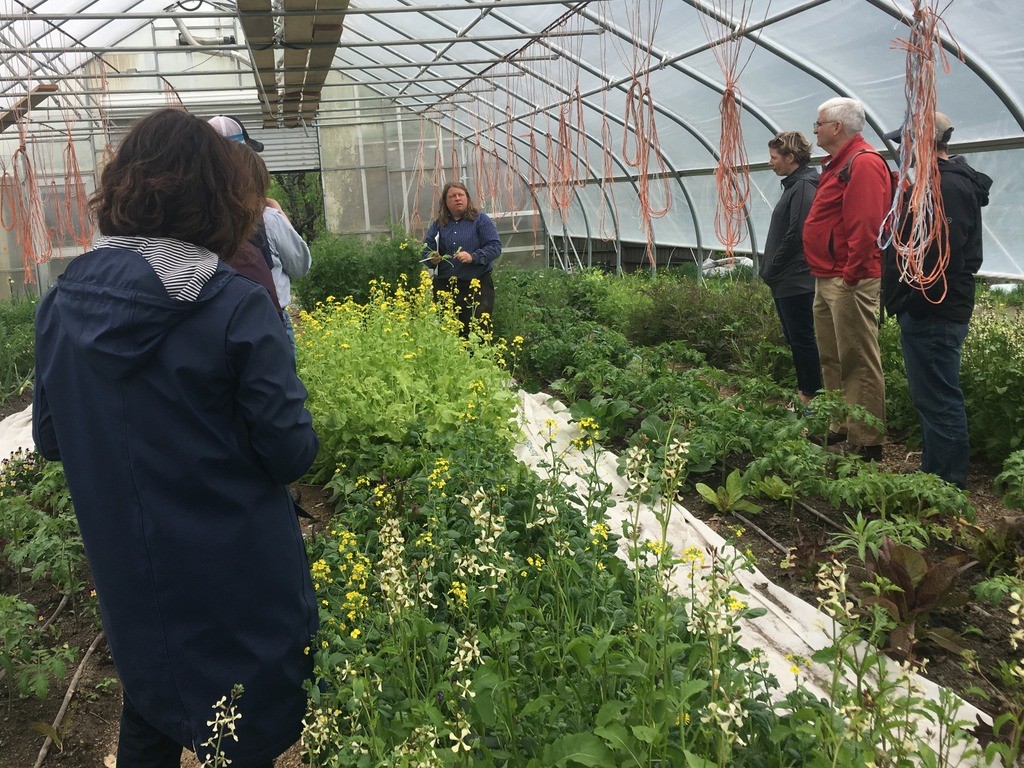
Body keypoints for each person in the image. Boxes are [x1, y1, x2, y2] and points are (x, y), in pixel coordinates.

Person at [32, 108, 319, 768]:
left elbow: (51, 437)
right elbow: (290, 450)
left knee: (153, 700)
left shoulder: (63, 301)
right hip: (238, 574)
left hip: (133, 572)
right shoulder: (231, 302)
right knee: (246, 727)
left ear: (123, 187)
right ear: (216, 195)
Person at [882, 112, 992, 489]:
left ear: (923, 142)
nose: (901, 150)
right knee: (928, 394)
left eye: (905, 142)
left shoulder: (947, 187)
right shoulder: (934, 184)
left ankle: (948, 482)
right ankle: (933, 471)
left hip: (935, 308)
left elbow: (946, 255)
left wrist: (913, 299)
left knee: (939, 395)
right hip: (930, 306)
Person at [801, 97, 891, 460]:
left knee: (857, 357)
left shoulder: (864, 163)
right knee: (832, 355)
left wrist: (852, 274)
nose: (816, 130)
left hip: (849, 278)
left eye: (818, 124)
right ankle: (840, 423)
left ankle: (867, 439)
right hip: (829, 275)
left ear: (837, 127)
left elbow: (866, 225)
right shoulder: (838, 164)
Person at [207, 115, 312, 354]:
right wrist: (279, 211)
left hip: (213, 326)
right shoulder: (268, 218)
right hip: (269, 322)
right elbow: (300, 266)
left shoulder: (195, 222)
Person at [762, 131, 822, 404]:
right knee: (797, 339)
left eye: (775, 157)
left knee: (802, 339)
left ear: (791, 157)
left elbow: (798, 232)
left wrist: (774, 266)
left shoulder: (804, 186)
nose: (770, 162)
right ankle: (807, 392)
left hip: (796, 279)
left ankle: (810, 395)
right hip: (786, 280)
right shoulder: (795, 185)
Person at [422, 181, 502, 337]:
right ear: (445, 202)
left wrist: (473, 256)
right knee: (449, 334)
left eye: (461, 195)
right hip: (445, 287)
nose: (457, 198)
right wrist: (432, 258)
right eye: (452, 196)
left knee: (477, 333)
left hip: (477, 286)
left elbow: (494, 247)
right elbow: (426, 252)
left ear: (467, 198)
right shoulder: (439, 225)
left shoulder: (480, 220)